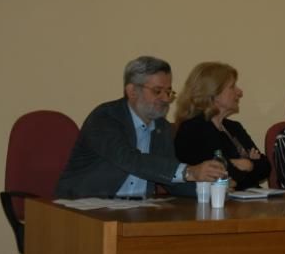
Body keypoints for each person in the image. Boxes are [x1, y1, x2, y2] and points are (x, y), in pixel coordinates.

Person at [56, 56, 226, 198]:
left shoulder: (162, 128)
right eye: (157, 91)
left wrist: (211, 190)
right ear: (132, 91)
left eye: (168, 92)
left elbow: (169, 178)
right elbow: (130, 159)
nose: (166, 99)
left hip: (137, 211)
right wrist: (188, 172)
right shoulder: (105, 117)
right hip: (83, 210)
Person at [173, 62, 270, 190]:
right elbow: (219, 175)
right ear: (214, 93)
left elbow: (265, 168)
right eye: (232, 87)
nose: (239, 92)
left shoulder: (234, 127)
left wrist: (246, 164)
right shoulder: (193, 128)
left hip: (245, 201)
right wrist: (248, 164)